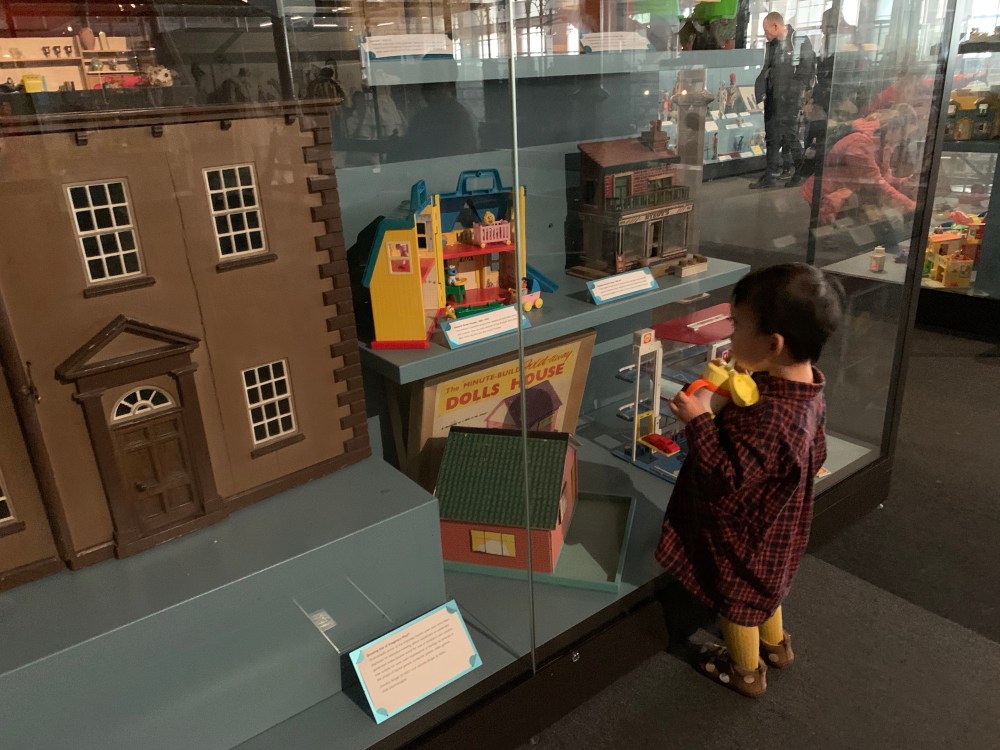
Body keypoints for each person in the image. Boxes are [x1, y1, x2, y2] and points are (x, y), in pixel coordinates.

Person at [655, 263, 845, 698]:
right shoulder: (808, 390)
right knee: (767, 590)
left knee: (739, 600)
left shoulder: (771, 417)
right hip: (780, 531)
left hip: (746, 538)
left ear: (773, 344)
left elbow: (725, 477)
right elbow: (816, 454)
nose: (731, 335)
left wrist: (699, 421)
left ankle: (744, 670)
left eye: (737, 326)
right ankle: (776, 647)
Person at [799, 106, 918, 241]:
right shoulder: (860, 142)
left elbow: (883, 176)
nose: (903, 140)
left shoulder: (882, 143)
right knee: (825, 239)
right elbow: (875, 181)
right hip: (827, 193)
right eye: (903, 135)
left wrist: (904, 181)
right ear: (892, 129)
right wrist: (909, 204)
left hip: (842, 194)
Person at [751, 12, 815, 189]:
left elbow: (805, 70)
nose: (765, 35)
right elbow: (768, 68)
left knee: (790, 135)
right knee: (771, 136)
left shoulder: (799, 41)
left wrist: (795, 93)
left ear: (775, 26)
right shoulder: (773, 45)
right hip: (773, 97)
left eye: (766, 31)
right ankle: (771, 175)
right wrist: (761, 90)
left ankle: (801, 172)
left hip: (789, 99)